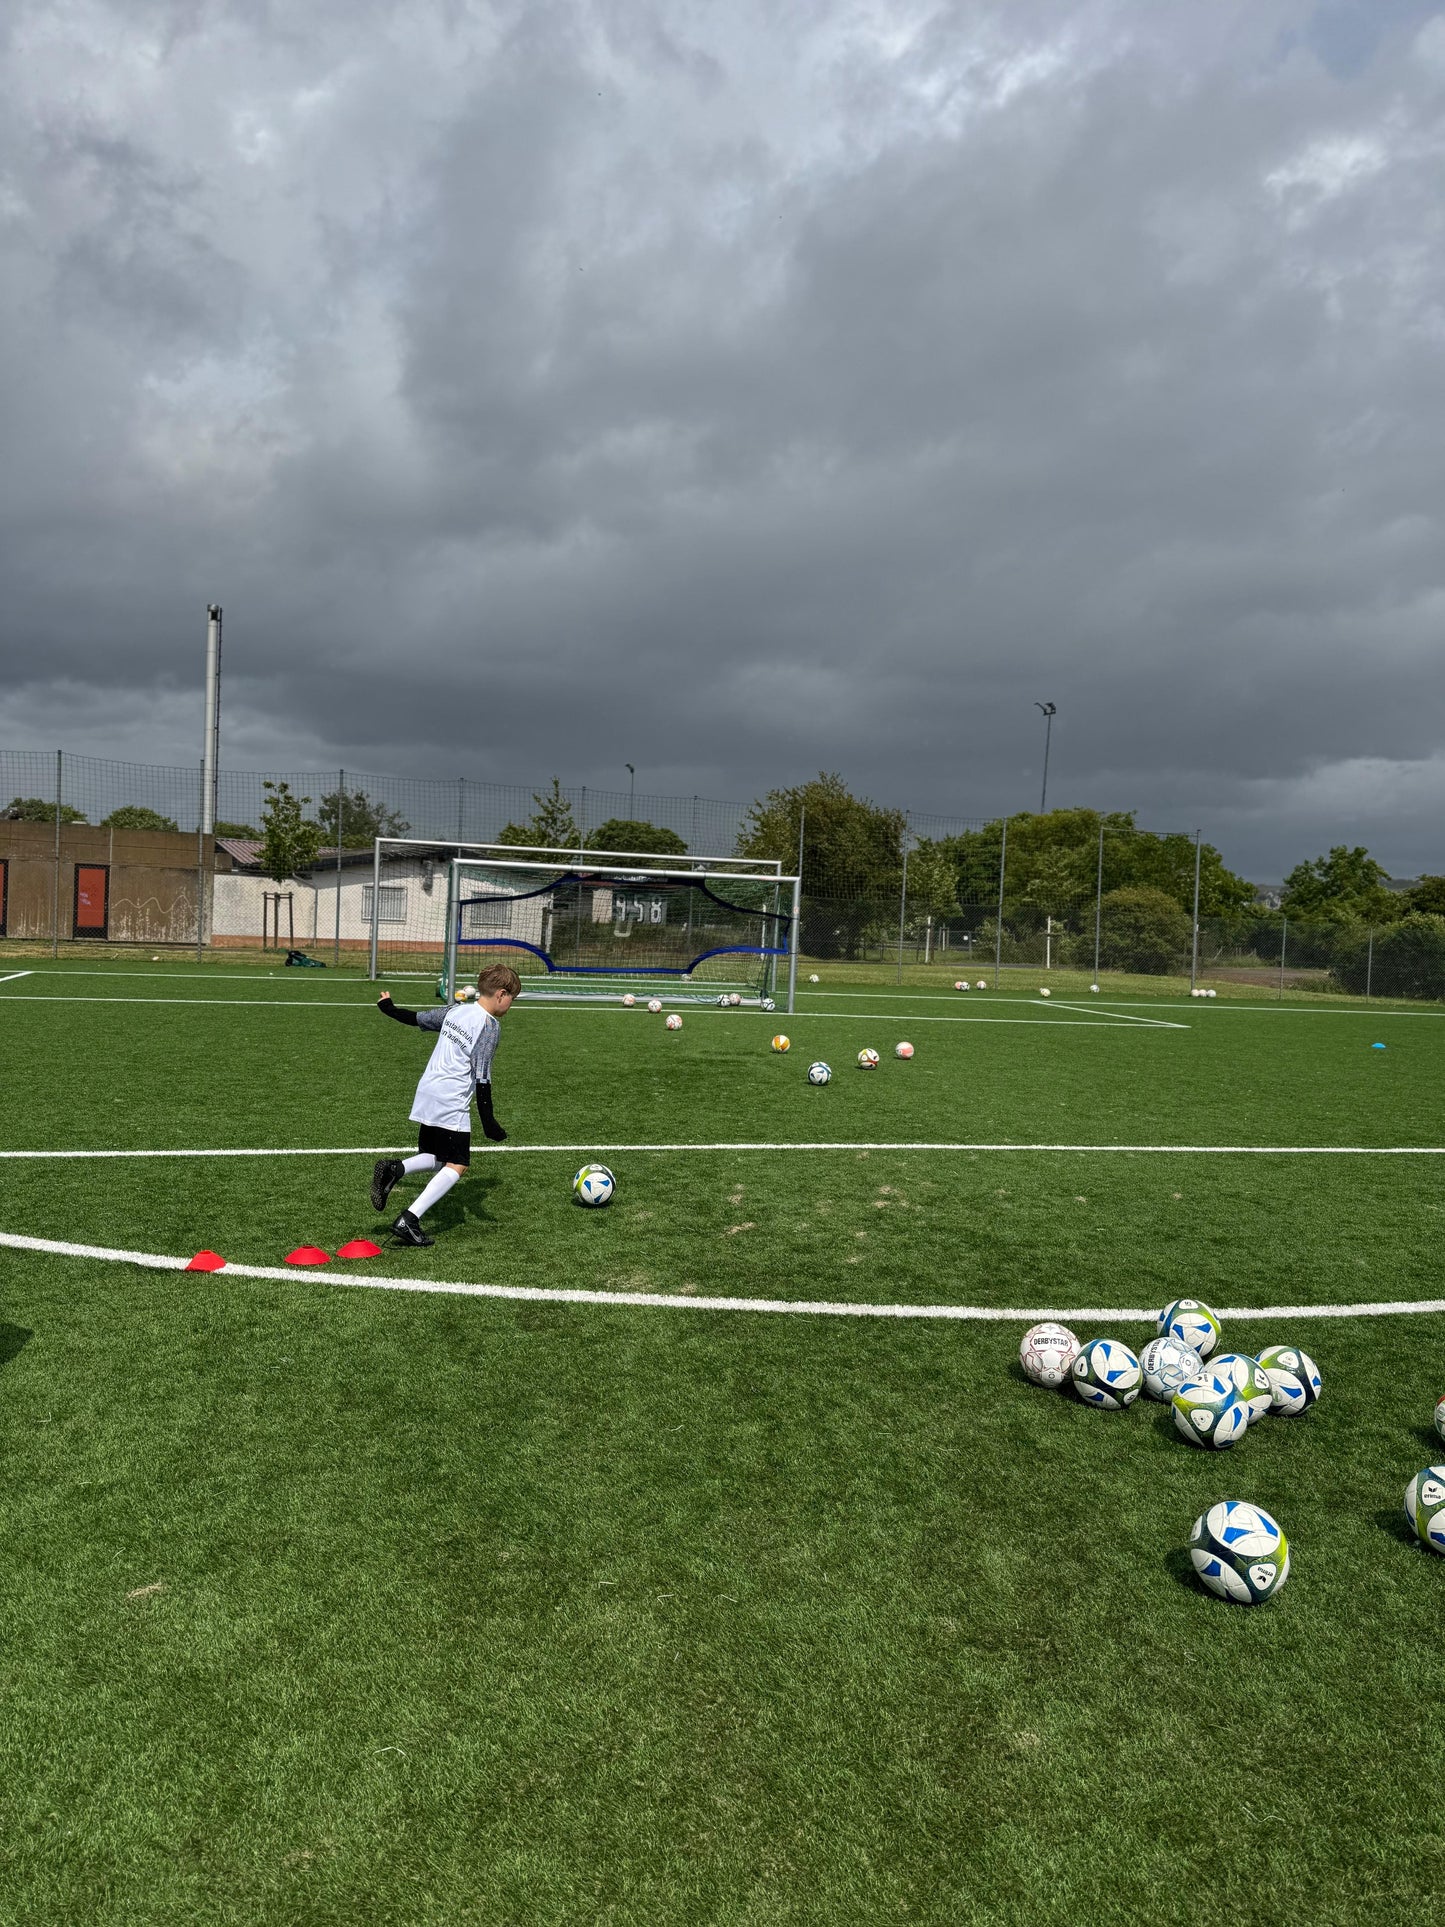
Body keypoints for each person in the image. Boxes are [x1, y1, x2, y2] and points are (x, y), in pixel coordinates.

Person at [369, 963, 521, 1247]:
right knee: (459, 1163)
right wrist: (489, 1123)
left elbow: (416, 1018)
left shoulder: (456, 1010)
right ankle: (409, 1219)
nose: (512, 1004)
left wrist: (388, 1007)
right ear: (501, 994)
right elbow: (482, 1077)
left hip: (428, 1090)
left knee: (437, 1156)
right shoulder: (489, 1026)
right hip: (451, 1098)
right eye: (513, 998)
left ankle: (395, 1169)